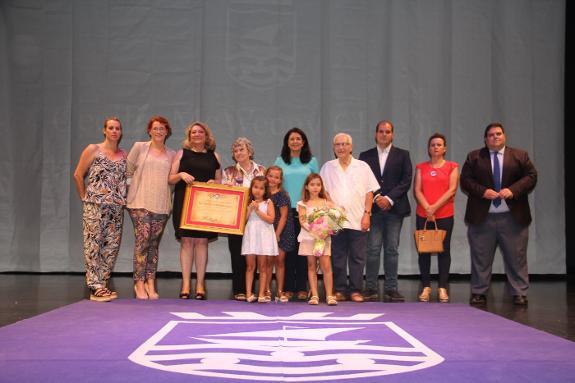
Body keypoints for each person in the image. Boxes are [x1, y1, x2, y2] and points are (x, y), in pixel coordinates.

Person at [460, 122, 537, 306]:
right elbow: (465, 181)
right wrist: (482, 191)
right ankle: (479, 292)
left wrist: (513, 190)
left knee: (516, 257)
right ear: (485, 139)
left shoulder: (520, 155)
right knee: (480, 257)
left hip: (513, 217)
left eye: (499, 134)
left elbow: (531, 176)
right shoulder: (474, 157)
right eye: (491, 135)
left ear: (504, 137)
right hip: (482, 217)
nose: (495, 137)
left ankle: (519, 292)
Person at [320, 133, 380, 302]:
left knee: (358, 257)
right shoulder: (327, 167)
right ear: (333, 148)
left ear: (351, 147)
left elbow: (370, 192)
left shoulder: (363, 167)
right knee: (337, 256)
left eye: (345, 144)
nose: (341, 147)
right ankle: (339, 289)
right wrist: (334, 207)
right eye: (337, 144)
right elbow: (323, 192)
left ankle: (355, 290)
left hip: (358, 219)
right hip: (335, 220)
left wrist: (367, 214)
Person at [73, 117, 127, 302]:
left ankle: (103, 283)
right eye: (111, 128)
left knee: (111, 245)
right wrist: (84, 197)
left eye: (117, 128)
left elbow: (128, 180)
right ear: (104, 130)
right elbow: (78, 174)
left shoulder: (124, 155)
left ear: (121, 132)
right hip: (95, 206)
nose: (114, 131)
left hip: (116, 208)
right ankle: (94, 285)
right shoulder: (93, 149)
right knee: (93, 244)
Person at [359, 120, 412, 302]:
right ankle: (371, 288)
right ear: (375, 134)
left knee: (391, 249)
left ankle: (391, 289)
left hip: (394, 209)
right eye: (381, 131)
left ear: (392, 134)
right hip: (373, 209)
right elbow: (362, 181)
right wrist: (377, 198)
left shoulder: (403, 155)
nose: (384, 134)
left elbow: (406, 180)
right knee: (372, 249)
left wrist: (388, 198)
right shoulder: (365, 156)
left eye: (387, 131)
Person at [169, 121, 222, 300]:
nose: (197, 135)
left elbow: (219, 181)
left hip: (206, 205)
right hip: (184, 202)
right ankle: (185, 283)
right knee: (186, 242)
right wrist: (180, 175)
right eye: (193, 132)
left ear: (206, 136)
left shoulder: (215, 156)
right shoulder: (181, 153)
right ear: (189, 136)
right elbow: (170, 179)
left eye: (200, 132)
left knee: (201, 243)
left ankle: (200, 283)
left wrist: (215, 183)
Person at [126, 116, 176, 300]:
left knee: (153, 245)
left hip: (161, 205)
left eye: (162, 128)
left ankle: (150, 281)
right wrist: (130, 191)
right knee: (142, 242)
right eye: (155, 128)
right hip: (140, 203)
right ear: (149, 131)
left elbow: (172, 179)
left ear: (167, 131)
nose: (159, 131)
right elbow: (128, 170)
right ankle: (138, 282)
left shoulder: (172, 153)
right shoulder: (140, 147)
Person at [413, 133, 459, 303]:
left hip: (444, 214)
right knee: (423, 250)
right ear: (428, 148)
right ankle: (425, 287)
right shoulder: (421, 167)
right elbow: (417, 190)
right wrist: (427, 208)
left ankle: (442, 287)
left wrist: (434, 207)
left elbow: (452, 190)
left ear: (444, 148)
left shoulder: (452, 166)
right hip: (423, 214)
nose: (436, 147)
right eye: (432, 145)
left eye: (439, 144)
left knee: (444, 250)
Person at [274, 127, 319, 300]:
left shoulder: (312, 161)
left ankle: (301, 287)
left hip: (306, 210)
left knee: (304, 250)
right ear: (287, 142)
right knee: (288, 249)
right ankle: (287, 287)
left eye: (298, 139)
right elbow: (274, 184)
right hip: (284, 210)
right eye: (291, 139)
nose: (295, 141)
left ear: (304, 142)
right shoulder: (279, 161)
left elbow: (316, 184)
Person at [221, 137, 266, 301]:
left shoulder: (261, 170)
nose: (239, 153)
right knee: (237, 253)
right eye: (236, 150)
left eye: (242, 149)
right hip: (236, 219)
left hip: (257, 219)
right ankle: (239, 289)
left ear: (249, 152)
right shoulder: (228, 172)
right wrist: (225, 189)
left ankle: (252, 290)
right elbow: (223, 197)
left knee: (253, 253)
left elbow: (266, 192)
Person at [297, 173, 338, 306]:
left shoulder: (327, 203)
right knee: (311, 266)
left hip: (323, 238)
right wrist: (314, 231)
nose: (315, 187)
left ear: (321, 187)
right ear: (307, 187)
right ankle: (314, 295)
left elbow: (335, 219)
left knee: (326, 266)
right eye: (312, 184)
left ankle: (329, 295)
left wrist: (326, 231)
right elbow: (302, 220)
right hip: (309, 238)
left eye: (318, 185)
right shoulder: (303, 203)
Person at [241, 176, 278, 303]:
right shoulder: (247, 202)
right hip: (251, 234)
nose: (258, 191)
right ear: (251, 188)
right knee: (250, 266)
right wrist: (250, 209)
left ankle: (261, 294)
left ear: (265, 190)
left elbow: (271, 219)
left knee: (263, 266)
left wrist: (257, 211)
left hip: (263, 235)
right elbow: (242, 222)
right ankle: (248, 293)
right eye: (255, 187)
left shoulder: (268, 202)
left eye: (261, 188)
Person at [265, 166, 296, 303]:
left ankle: (279, 291)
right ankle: (266, 290)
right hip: (265, 230)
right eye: (270, 175)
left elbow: (283, 217)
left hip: (281, 232)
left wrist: (276, 234)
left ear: (280, 180)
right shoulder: (262, 193)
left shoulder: (283, 195)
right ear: (266, 175)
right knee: (267, 262)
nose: (273, 179)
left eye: (276, 177)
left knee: (279, 262)